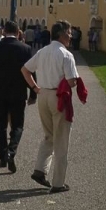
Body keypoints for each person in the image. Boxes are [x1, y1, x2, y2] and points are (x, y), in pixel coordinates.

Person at [21, 20, 79, 194]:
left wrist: (35, 88)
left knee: (49, 135)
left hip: (43, 94)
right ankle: (58, 182)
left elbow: (25, 70)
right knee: (61, 140)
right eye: (69, 32)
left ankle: (40, 169)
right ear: (61, 34)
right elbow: (71, 81)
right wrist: (74, 81)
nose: (71, 36)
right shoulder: (66, 55)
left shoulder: (43, 51)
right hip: (58, 96)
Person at [0, 21, 36, 173]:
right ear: (17, 32)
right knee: (18, 126)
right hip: (18, 93)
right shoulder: (25, 49)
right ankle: (11, 151)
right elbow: (31, 72)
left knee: (1, 126)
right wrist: (33, 93)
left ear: (3, 31)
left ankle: (3, 157)